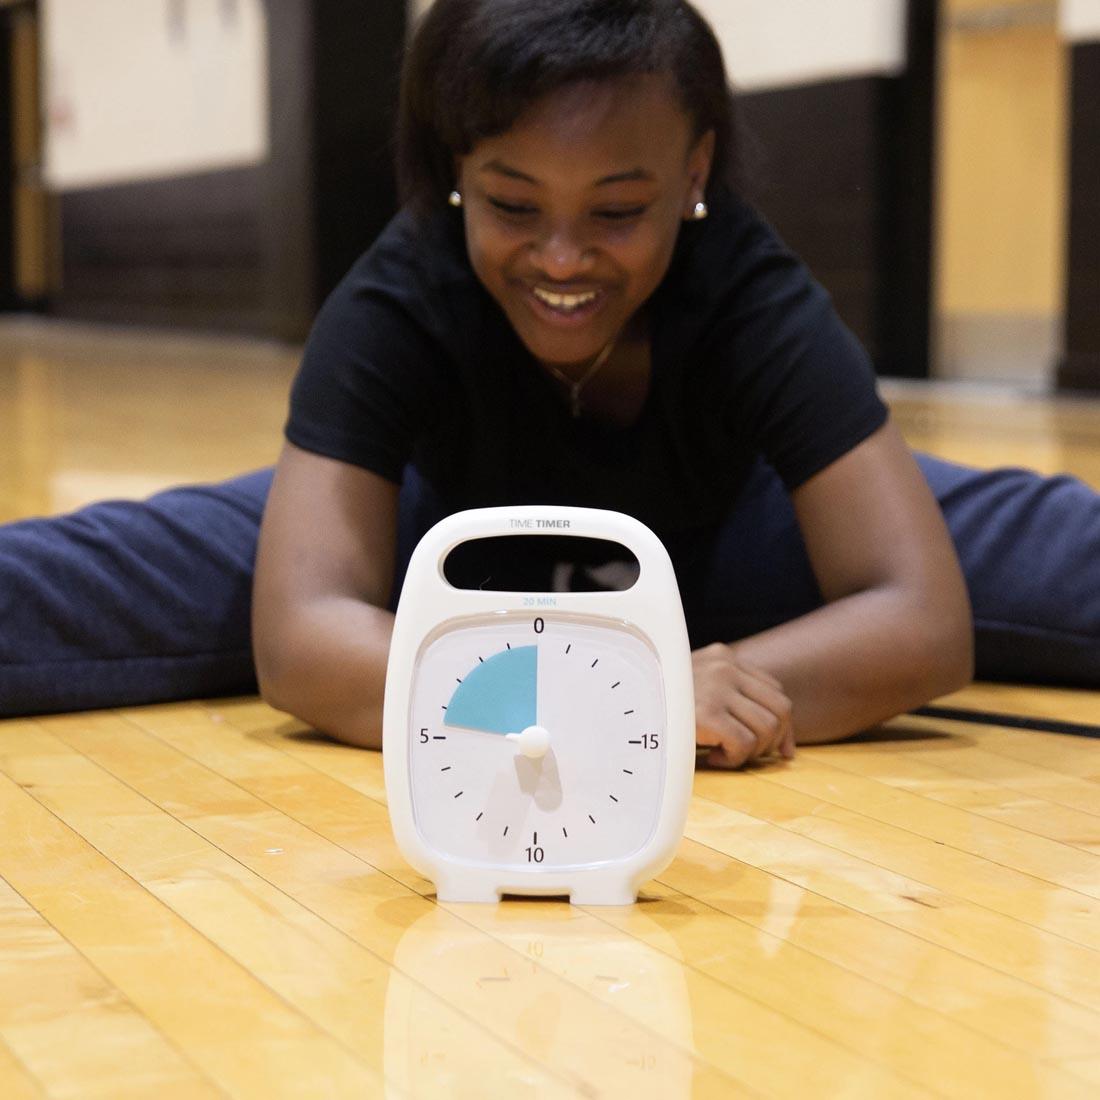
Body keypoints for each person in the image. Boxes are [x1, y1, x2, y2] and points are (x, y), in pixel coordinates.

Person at [1, 0, 1097, 768]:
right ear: (452, 178)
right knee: (111, 571)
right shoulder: (401, 285)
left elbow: (919, 615)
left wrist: (687, 677)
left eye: (618, 211)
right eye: (514, 206)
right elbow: (301, 637)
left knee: (1041, 542)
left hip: (730, 540)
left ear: (694, 173)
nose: (563, 259)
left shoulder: (747, 283)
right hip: (438, 538)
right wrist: (607, 689)